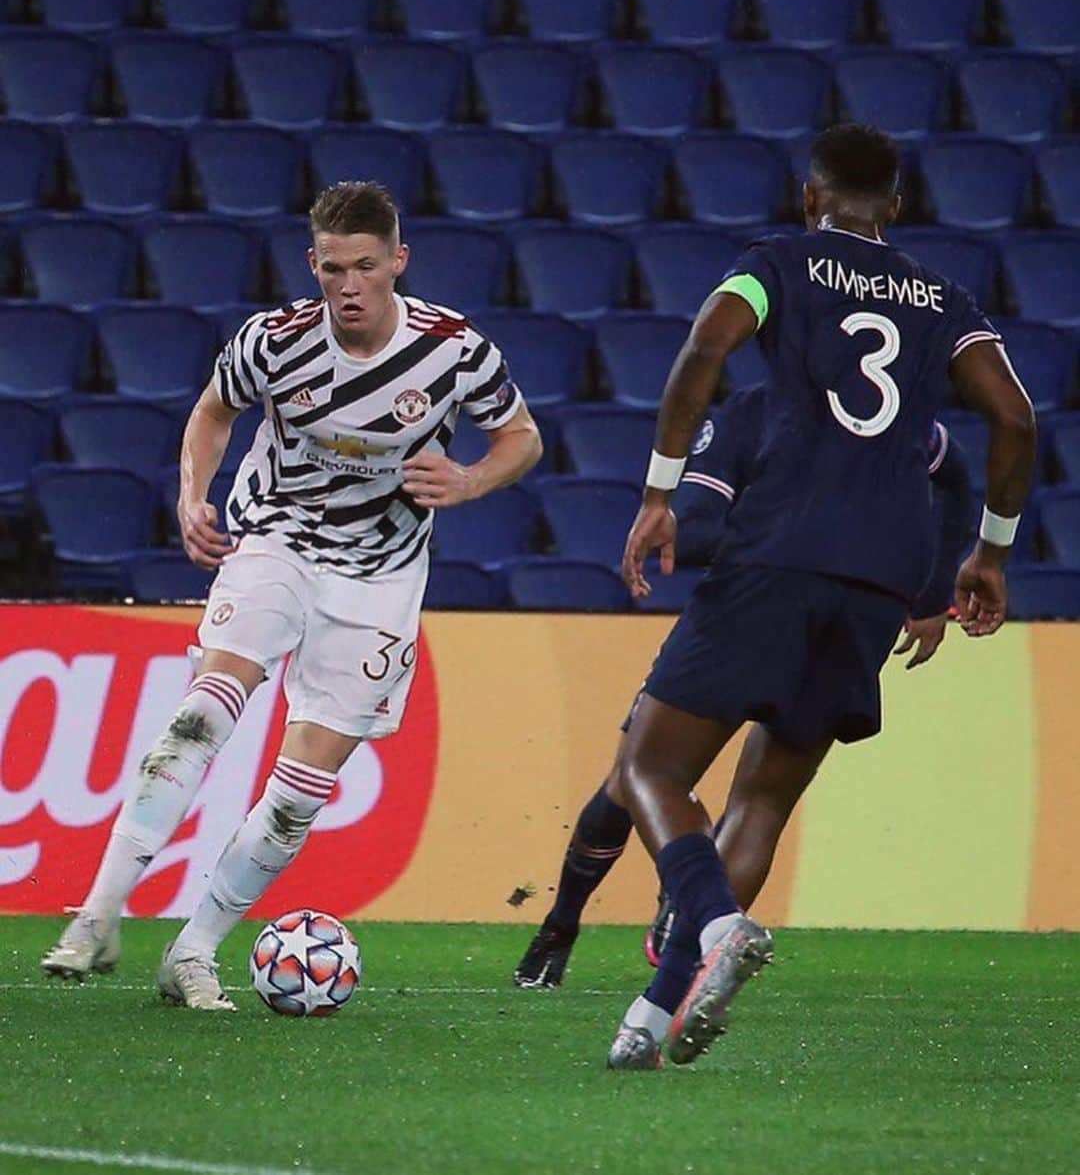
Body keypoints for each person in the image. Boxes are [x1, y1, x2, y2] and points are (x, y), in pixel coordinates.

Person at [42, 181, 543, 1008]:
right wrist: (191, 495)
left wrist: (470, 477)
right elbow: (211, 414)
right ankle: (98, 911)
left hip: (380, 579)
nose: (350, 287)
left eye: (368, 268)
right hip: (275, 542)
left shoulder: (454, 350)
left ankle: (192, 952)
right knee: (205, 712)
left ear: (399, 263)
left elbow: (521, 437)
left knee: (298, 795)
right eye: (334, 269)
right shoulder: (274, 342)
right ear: (313, 264)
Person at [603, 122, 1034, 1070]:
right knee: (764, 794)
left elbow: (703, 349)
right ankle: (652, 1015)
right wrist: (990, 555)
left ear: (810, 197)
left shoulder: (778, 263)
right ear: (899, 207)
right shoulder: (942, 296)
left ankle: (714, 927)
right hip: (884, 571)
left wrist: (659, 493)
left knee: (649, 768)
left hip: (780, 548)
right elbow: (1012, 416)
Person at [513, 387, 973, 990]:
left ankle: (618, 915)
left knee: (639, 771)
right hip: (854, 616)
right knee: (763, 800)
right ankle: (676, 957)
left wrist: (695, 528)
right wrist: (934, 589)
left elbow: (700, 527)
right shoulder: (898, 417)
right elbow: (962, 479)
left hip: (751, 606)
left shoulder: (759, 409)